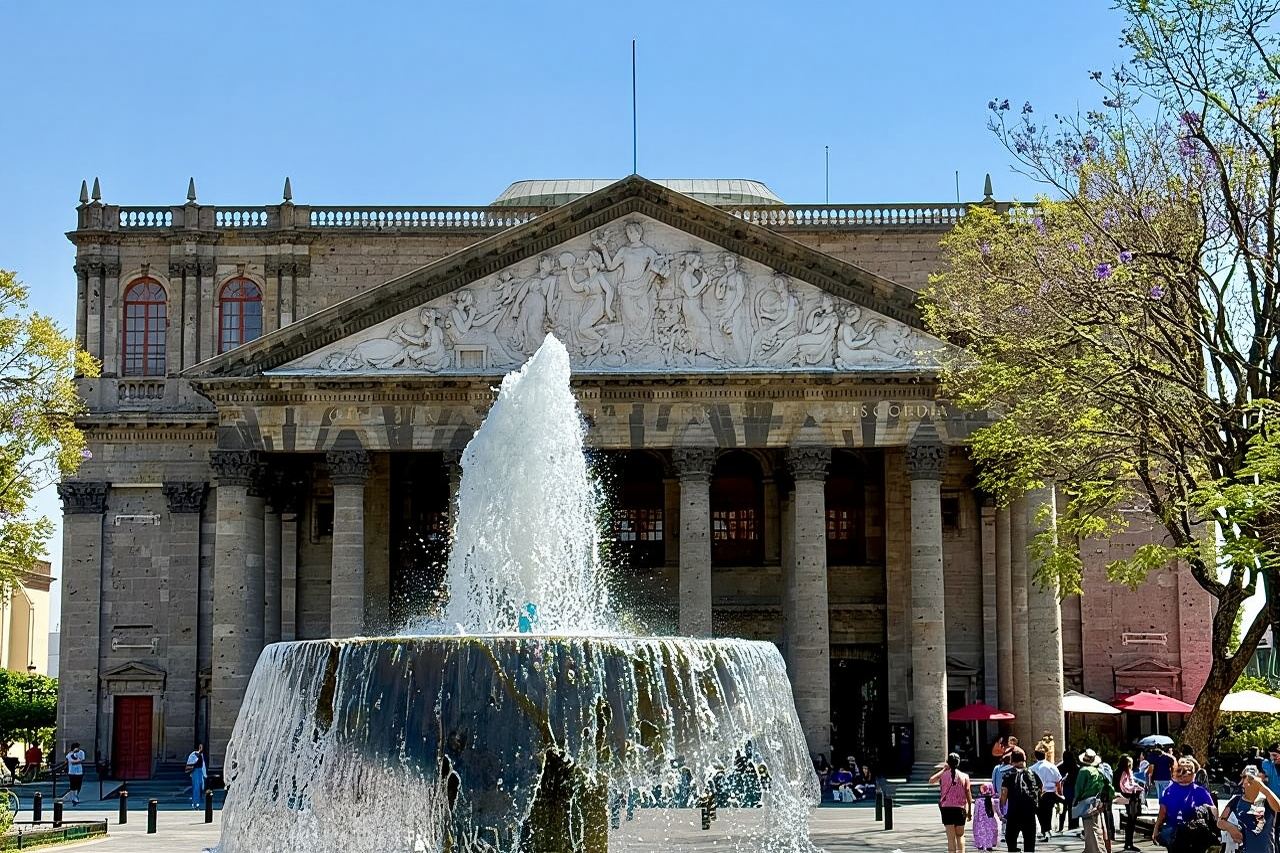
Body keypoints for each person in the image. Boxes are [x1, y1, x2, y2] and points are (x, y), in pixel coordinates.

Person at [1152, 756, 1215, 848]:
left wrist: (1156, 829)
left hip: (1178, 833)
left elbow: (1162, 813)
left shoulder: (1168, 790)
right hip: (1190, 835)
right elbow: (1213, 812)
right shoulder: (1201, 791)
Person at [1219, 765, 1279, 853]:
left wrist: (1262, 787)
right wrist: (1231, 828)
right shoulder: (1236, 800)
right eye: (1244, 778)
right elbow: (1220, 822)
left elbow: (1278, 807)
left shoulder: (1267, 800)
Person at [1074, 749, 1116, 853]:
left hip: (1087, 802)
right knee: (1096, 827)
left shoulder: (1084, 771)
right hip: (1097, 801)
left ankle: (1097, 850)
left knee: (1091, 829)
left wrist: (1076, 800)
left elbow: (1079, 789)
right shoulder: (1099, 771)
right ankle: (1092, 849)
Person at [931, 752, 974, 853]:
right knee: (960, 836)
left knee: (950, 838)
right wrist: (969, 811)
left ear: (948, 763)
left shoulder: (943, 775)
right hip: (960, 808)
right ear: (958, 763)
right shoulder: (964, 776)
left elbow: (931, 780)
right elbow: (968, 795)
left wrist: (943, 769)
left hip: (946, 808)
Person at [1002, 748, 1042, 852]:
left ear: (1012, 761)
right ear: (1024, 759)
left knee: (1011, 841)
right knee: (1029, 842)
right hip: (1029, 813)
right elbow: (1041, 790)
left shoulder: (1008, 775)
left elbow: (1003, 796)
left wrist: (1002, 807)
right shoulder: (1033, 774)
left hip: (1014, 813)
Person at [1029, 747, 1064, 842]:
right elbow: (1058, 781)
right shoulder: (1052, 766)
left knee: (1040, 813)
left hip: (1039, 793)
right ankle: (1047, 830)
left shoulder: (1032, 768)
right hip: (1050, 792)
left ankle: (1045, 830)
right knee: (1048, 812)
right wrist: (1060, 793)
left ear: (1036, 757)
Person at [1116, 754, 1146, 853]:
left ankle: (1129, 843)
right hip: (1130, 797)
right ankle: (1129, 843)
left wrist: (1137, 786)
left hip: (1131, 796)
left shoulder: (1125, 772)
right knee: (1131, 820)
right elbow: (1124, 786)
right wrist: (1135, 788)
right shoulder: (1125, 772)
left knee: (1132, 821)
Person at [974, 782, 1002, 852]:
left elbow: (976, 813)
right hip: (990, 821)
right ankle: (989, 846)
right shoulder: (993, 801)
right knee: (990, 833)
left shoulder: (978, 801)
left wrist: (975, 821)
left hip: (980, 822)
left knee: (981, 833)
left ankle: (981, 846)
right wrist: (1001, 817)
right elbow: (998, 811)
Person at [1058, 750, 1080, 834]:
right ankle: (1073, 826)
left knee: (1063, 810)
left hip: (1064, 791)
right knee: (1073, 809)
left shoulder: (1060, 767)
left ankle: (1061, 826)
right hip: (1074, 791)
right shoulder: (1077, 767)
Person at [63, 742, 85, 807]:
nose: (78, 748)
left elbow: (81, 760)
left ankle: (76, 796)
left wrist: (77, 759)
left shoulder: (81, 752)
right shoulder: (69, 754)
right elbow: (72, 761)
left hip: (79, 772)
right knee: (73, 785)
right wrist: (74, 753)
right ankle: (74, 797)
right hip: (72, 772)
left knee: (78, 785)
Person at [186, 743, 206, 809]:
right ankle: (195, 803)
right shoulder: (193, 754)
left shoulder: (201, 755)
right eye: (200, 747)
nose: (201, 748)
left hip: (200, 771)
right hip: (195, 772)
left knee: (200, 787)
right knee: (196, 787)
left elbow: (203, 765)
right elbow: (191, 763)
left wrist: (204, 774)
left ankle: (198, 802)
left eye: (202, 747)